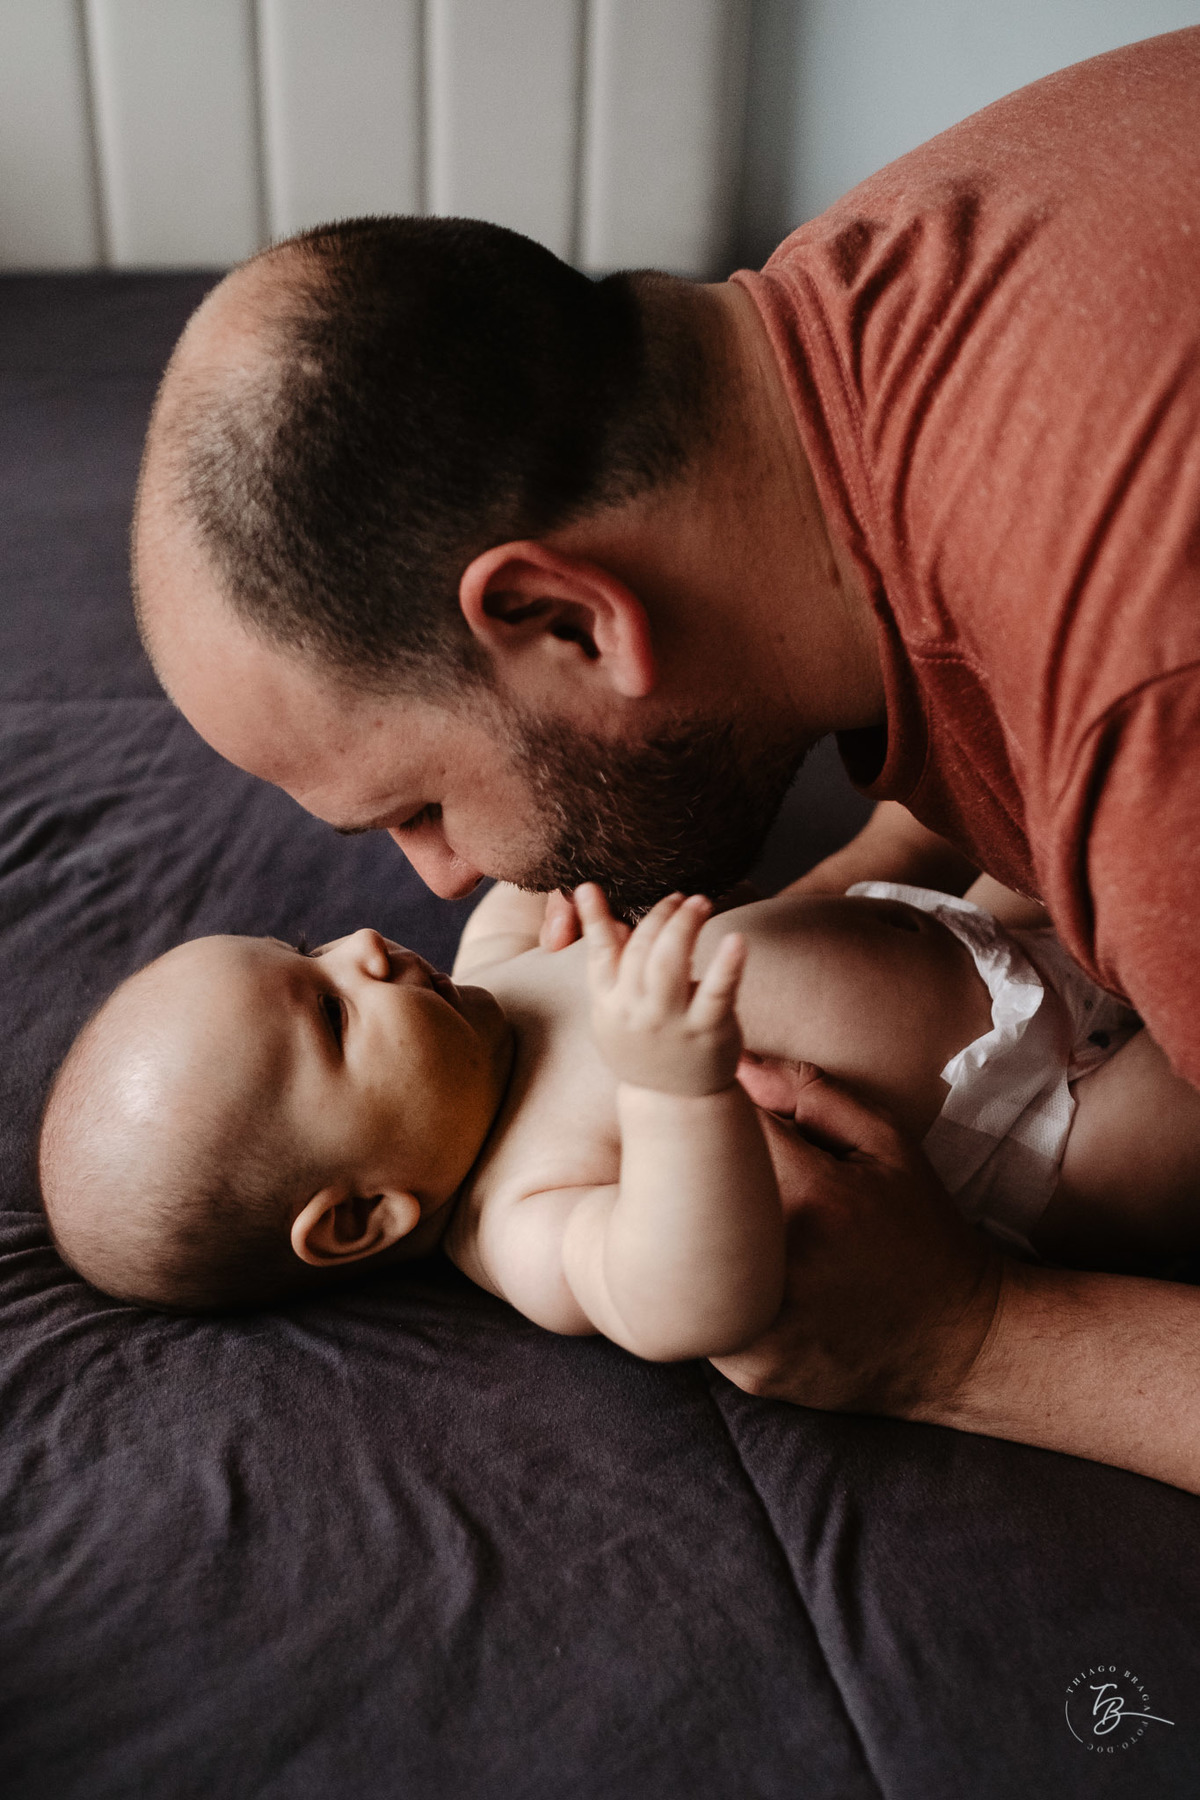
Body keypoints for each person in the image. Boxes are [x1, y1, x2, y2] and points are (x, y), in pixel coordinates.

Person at [130, 29, 1200, 1486]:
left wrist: (971, 1342)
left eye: (425, 803)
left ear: (565, 614)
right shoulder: (889, 262)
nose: (443, 881)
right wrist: (869, 879)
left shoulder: (1147, 714)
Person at [38, 878, 1199, 1349]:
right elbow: (687, 1300)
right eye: (333, 1015)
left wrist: (560, 869)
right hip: (1057, 1130)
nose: (364, 949)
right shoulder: (518, 1220)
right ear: (362, 1219)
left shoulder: (483, 979)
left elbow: (518, 880)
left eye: (309, 947)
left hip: (976, 925)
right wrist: (672, 1091)